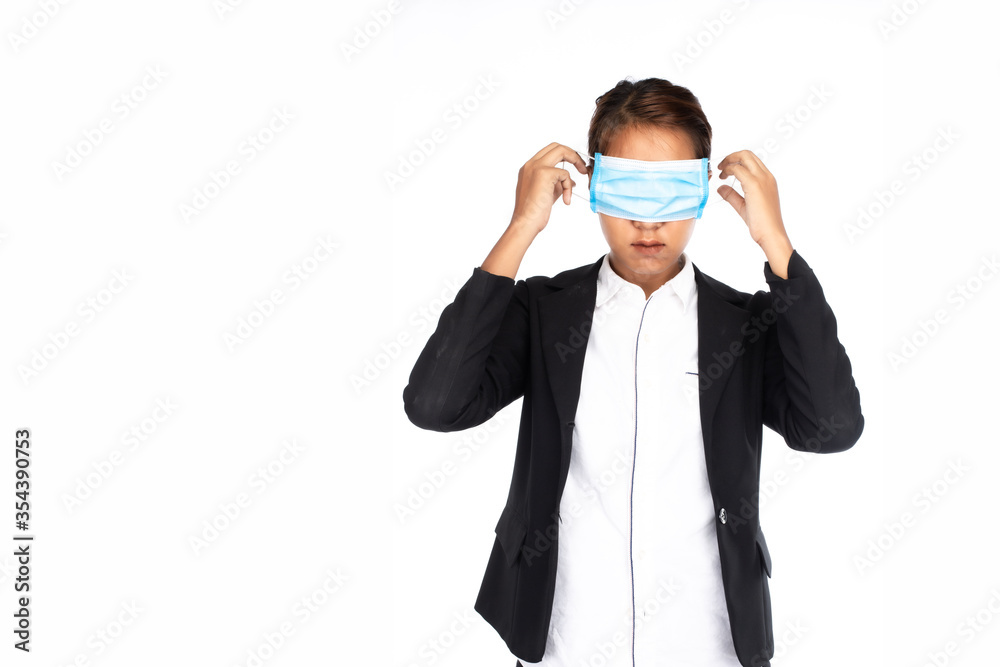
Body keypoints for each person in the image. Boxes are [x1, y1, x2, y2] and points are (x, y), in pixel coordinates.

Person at [402, 77, 864, 667]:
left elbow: (831, 428)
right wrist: (521, 228)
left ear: (702, 189)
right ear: (593, 185)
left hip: (709, 642)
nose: (649, 223)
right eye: (629, 192)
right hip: (567, 640)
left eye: (670, 193)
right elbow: (436, 405)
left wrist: (777, 245)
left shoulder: (745, 326)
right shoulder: (545, 313)